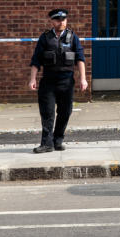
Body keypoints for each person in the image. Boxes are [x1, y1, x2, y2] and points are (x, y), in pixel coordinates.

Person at [28, 8, 87, 153]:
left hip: (66, 82)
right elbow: (36, 60)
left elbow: (80, 59)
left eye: (63, 20)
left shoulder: (73, 37)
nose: (61, 22)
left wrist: (83, 79)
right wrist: (32, 79)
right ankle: (47, 144)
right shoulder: (45, 37)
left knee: (66, 112)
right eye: (58, 20)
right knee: (47, 113)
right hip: (48, 81)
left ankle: (57, 140)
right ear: (52, 21)